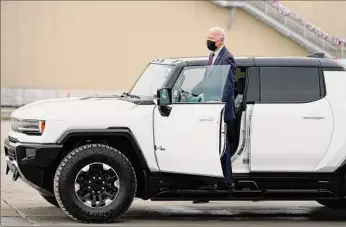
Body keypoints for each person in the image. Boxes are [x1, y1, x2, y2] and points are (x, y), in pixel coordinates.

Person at [193, 26, 237, 203]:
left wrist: (218, 106)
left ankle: (227, 181)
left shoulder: (227, 58)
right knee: (215, 143)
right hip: (210, 107)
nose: (208, 41)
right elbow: (208, 81)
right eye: (207, 37)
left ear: (221, 40)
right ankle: (216, 179)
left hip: (220, 109)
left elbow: (227, 87)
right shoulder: (212, 56)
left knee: (222, 144)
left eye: (211, 38)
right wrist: (195, 94)